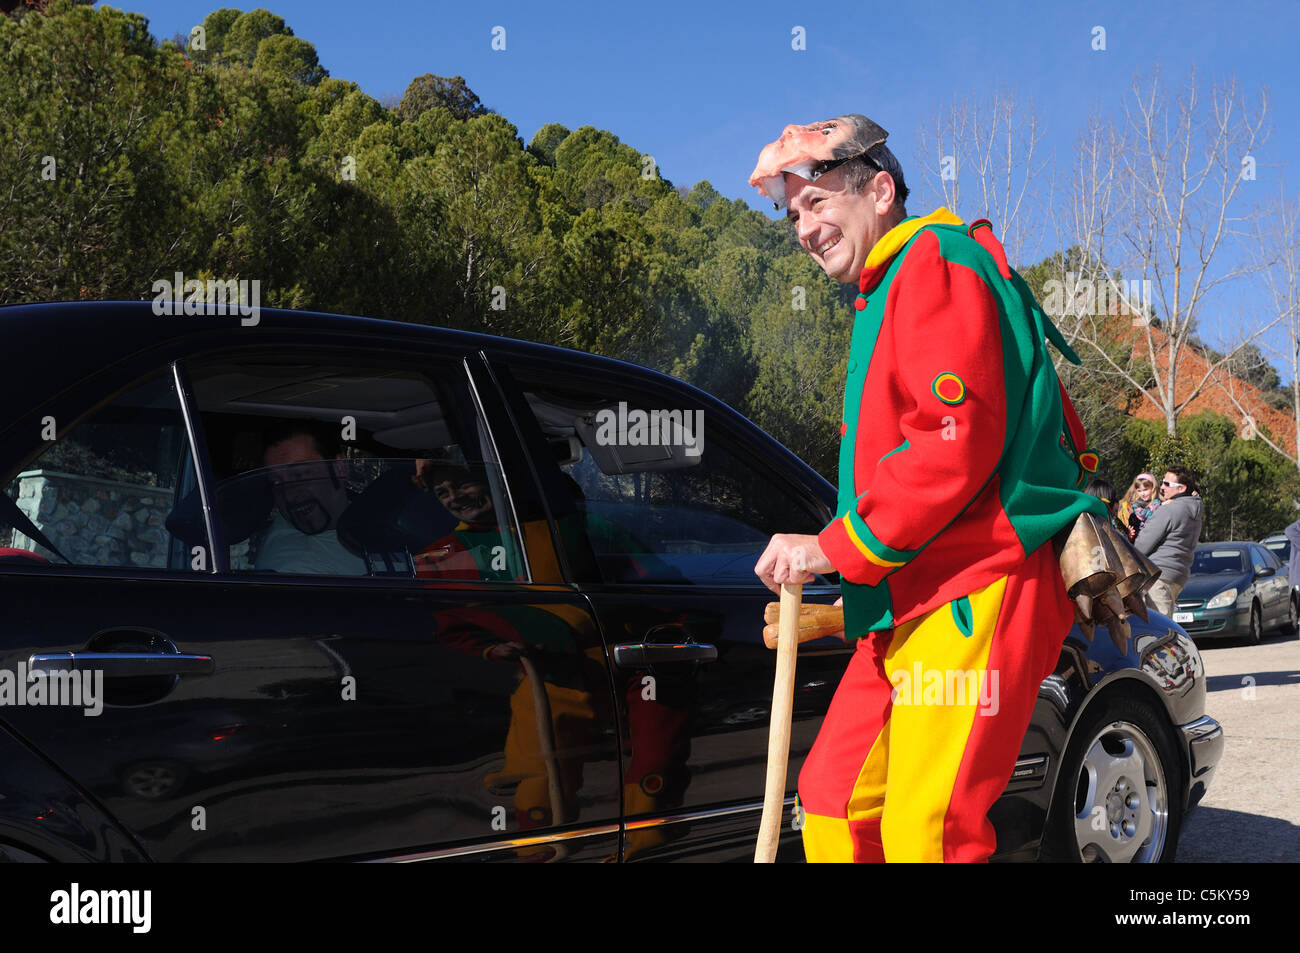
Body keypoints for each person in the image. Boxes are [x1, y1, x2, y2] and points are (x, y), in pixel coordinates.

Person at [749, 114, 1107, 863]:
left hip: (979, 580)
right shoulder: (885, 289)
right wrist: (840, 596)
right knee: (837, 804)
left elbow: (952, 446)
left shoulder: (933, 263)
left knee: (927, 833)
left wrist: (827, 547)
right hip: (910, 600)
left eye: (816, 202)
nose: (804, 229)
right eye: (792, 216)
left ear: (880, 189)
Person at [254, 422, 368, 575]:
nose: (288, 495)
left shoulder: (373, 514)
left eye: (300, 475)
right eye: (276, 482)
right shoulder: (294, 569)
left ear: (338, 467)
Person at [1134, 466, 1205, 615]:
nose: (1162, 487)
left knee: (1159, 629)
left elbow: (1141, 546)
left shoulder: (1169, 510)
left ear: (1181, 488)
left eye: (1167, 484)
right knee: (1166, 623)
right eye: (1163, 482)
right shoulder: (1195, 509)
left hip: (1158, 575)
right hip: (1179, 575)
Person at [1115, 472, 1161, 542]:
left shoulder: (1158, 501)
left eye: (1145, 490)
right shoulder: (1137, 505)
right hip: (1141, 539)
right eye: (1139, 491)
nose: (1142, 494)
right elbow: (1143, 515)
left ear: (1153, 488)